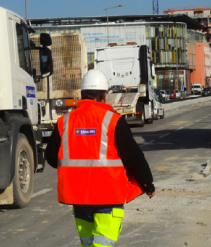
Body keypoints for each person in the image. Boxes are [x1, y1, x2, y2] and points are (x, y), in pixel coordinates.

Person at [45, 69, 155, 247]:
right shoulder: (113, 121)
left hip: (79, 198)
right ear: (104, 96)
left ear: (82, 95)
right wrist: (147, 184)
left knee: (88, 244)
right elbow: (133, 157)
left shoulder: (65, 121)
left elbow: (51, 157)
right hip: (108, 197)